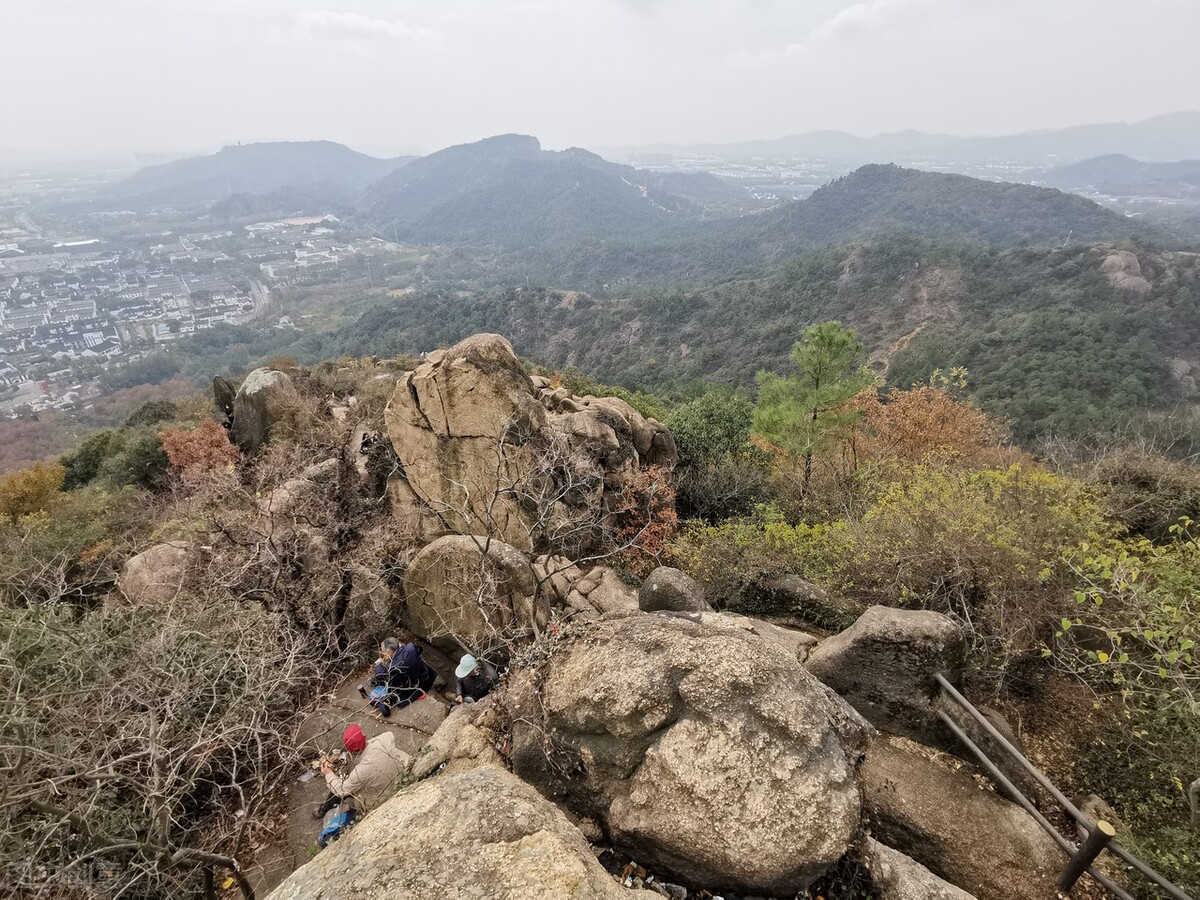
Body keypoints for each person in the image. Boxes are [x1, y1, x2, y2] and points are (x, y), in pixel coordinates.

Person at [314, 724, 410, 824]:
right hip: (404, 774)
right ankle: (323, 810)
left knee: (341, 787)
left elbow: (341, 790)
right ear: (364, 737)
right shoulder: (385, 739)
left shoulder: (360, 772)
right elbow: (386, 735)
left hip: (384, 798)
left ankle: (323, 810)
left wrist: (328, 774)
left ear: (350, 751)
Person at [367, 637, 437, 717]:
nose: (382, 653)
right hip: (427, 676)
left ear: (389, 651)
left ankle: (384, 704)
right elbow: (419, 650)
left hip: (417, 688)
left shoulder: (394, 667)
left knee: (390, 685)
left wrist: (378, 665)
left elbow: (383, 677)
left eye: (383, 651)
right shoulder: (411, 647)